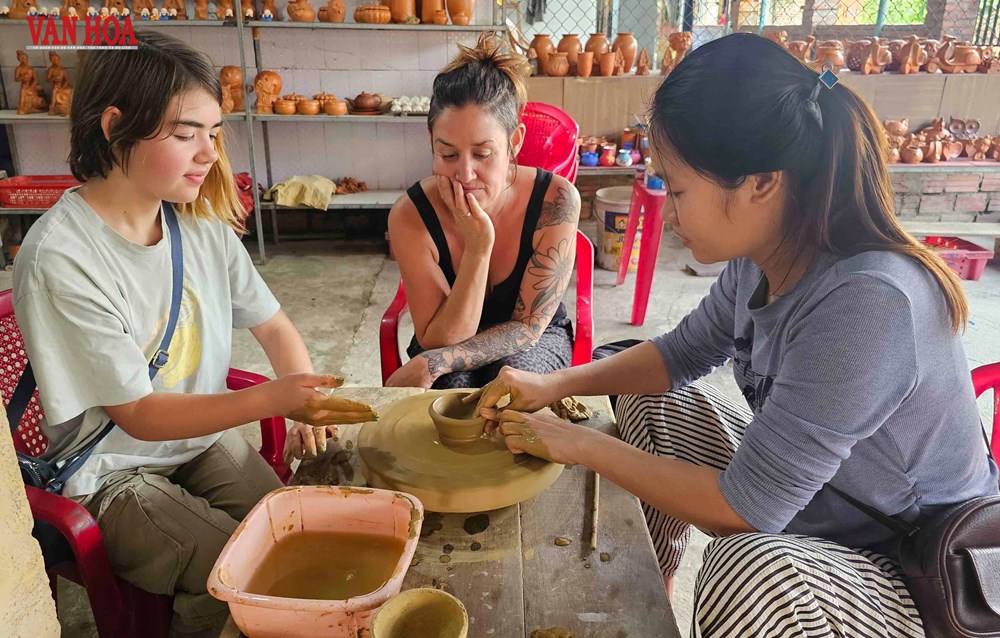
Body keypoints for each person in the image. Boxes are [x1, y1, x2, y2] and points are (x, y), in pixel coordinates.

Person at [472, 34, 999, 637]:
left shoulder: (870, 302)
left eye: (677, 190)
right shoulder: (765, 256)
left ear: (760, 182)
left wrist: (576, 442)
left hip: (921, 570)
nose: (669, 213)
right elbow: (680, 355)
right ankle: (647, 591)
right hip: (823, 504)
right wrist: (552, 384)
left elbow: (745, 511)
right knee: (649, 399)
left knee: (750, 573)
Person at [12, 30, 371, 637]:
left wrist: (303, 395)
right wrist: (276, 398)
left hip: (198, 442)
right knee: (247, 576)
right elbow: (139, 415)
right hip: (111, 471)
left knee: (299, 532)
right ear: (115, 127)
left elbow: (273, 324)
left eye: (214, 133)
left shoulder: (198, 225)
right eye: (185, 135)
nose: (208, 154)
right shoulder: (61, 257)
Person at [385, 34, 581, 390]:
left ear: (514, 142)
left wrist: (439, 361)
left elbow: (528, 328)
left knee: (513, 385)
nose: (465, 174)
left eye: (482, 154)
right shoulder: (410, 216)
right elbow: (440, 339)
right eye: (448, 154)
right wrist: (478, 248)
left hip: (533, 338)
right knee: (452, 393)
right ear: (431, 144)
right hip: (444, 340)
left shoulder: (555, 200)